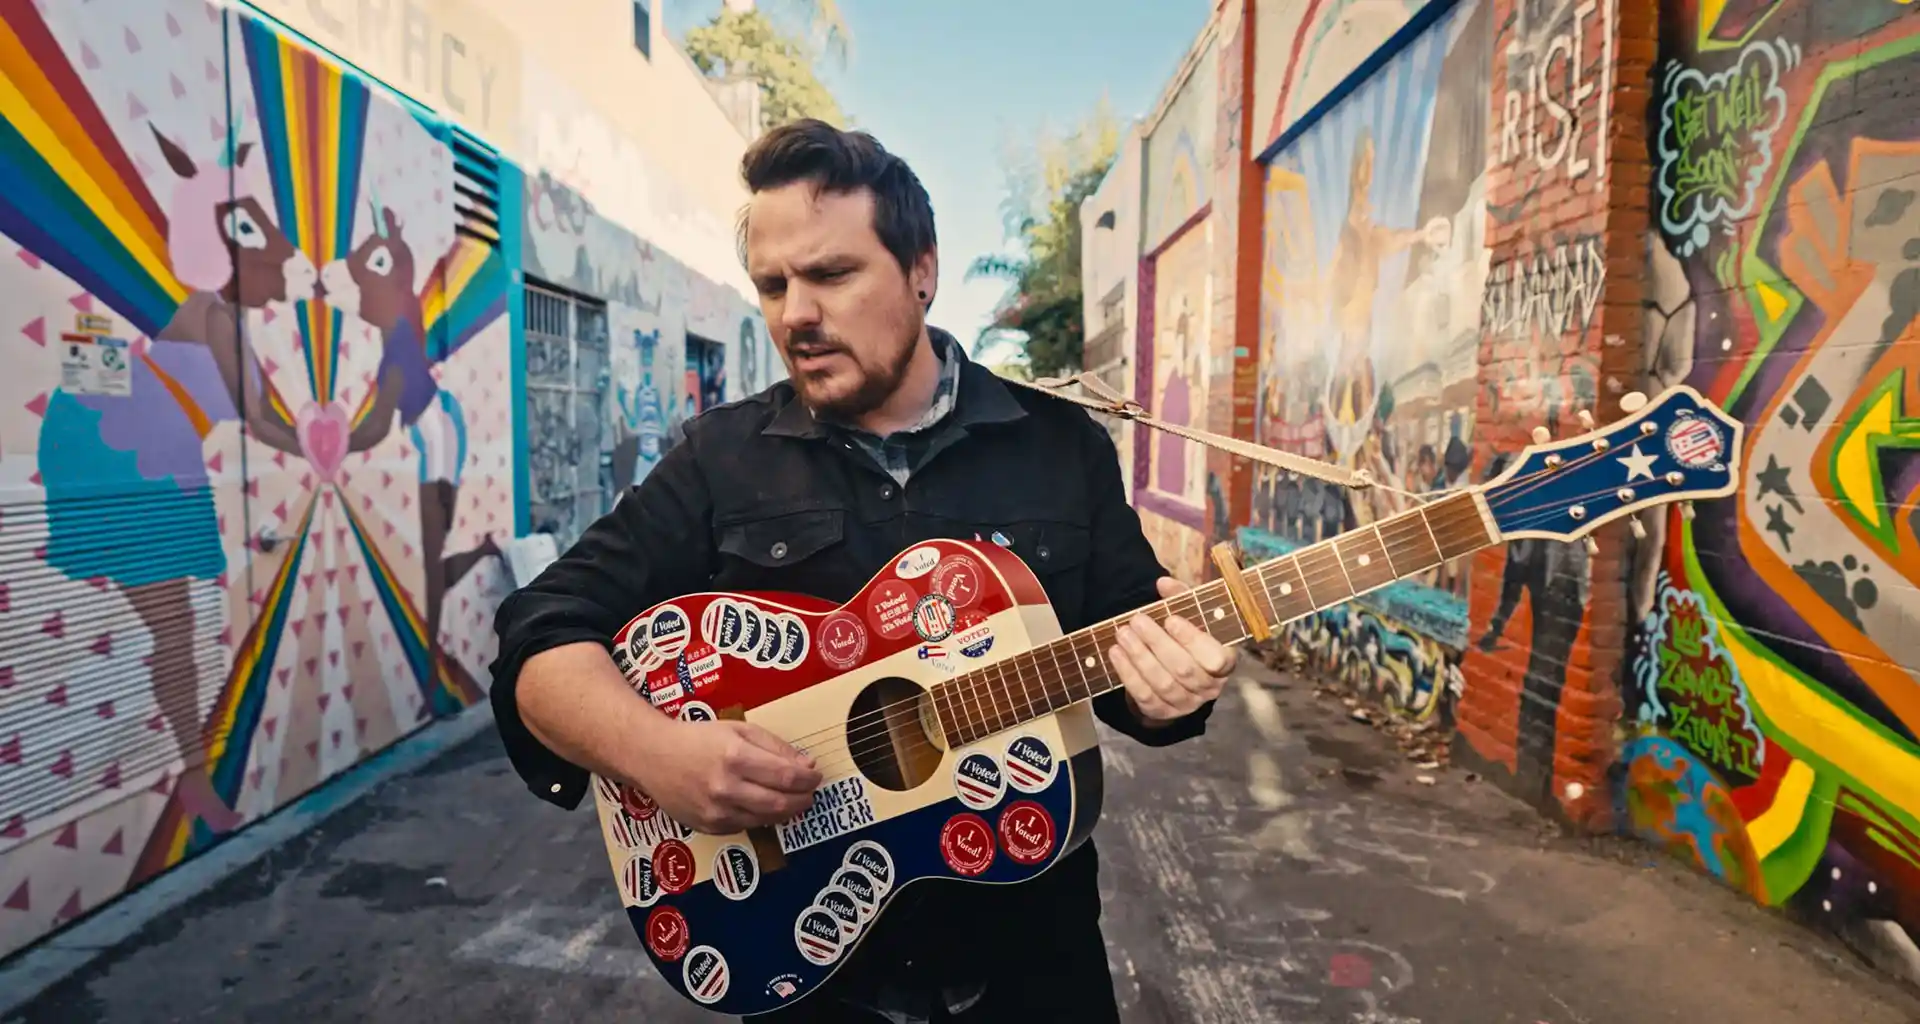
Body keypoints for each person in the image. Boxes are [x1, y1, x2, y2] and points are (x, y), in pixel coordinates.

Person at [488, 119, 1236, 1022]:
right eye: (773, 284)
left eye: (831, 275)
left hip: (1035, 976)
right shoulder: (723, 461)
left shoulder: (1061, 447)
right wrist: (656, 754)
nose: (795, 314)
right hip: (804, 982)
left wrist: (1172, 691)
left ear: (922, 269)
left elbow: (1129, 663)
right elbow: (541, 631)